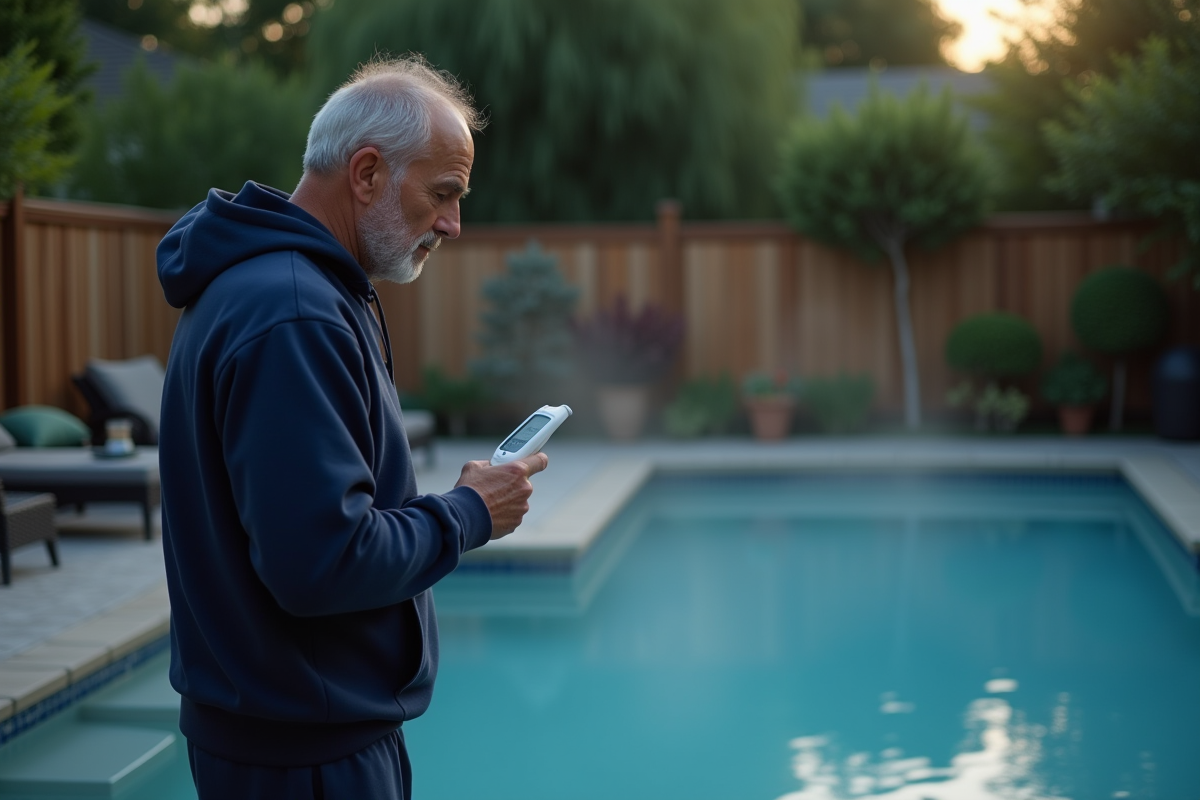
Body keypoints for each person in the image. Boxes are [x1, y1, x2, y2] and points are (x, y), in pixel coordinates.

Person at [155, 57, 547, 800]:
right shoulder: (293, 312)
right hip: (304, 759)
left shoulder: (281, 290)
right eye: (443, 194)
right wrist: (468, 515)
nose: (452, 224)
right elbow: (321, 562)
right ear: (366, 174)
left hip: (295, 737)